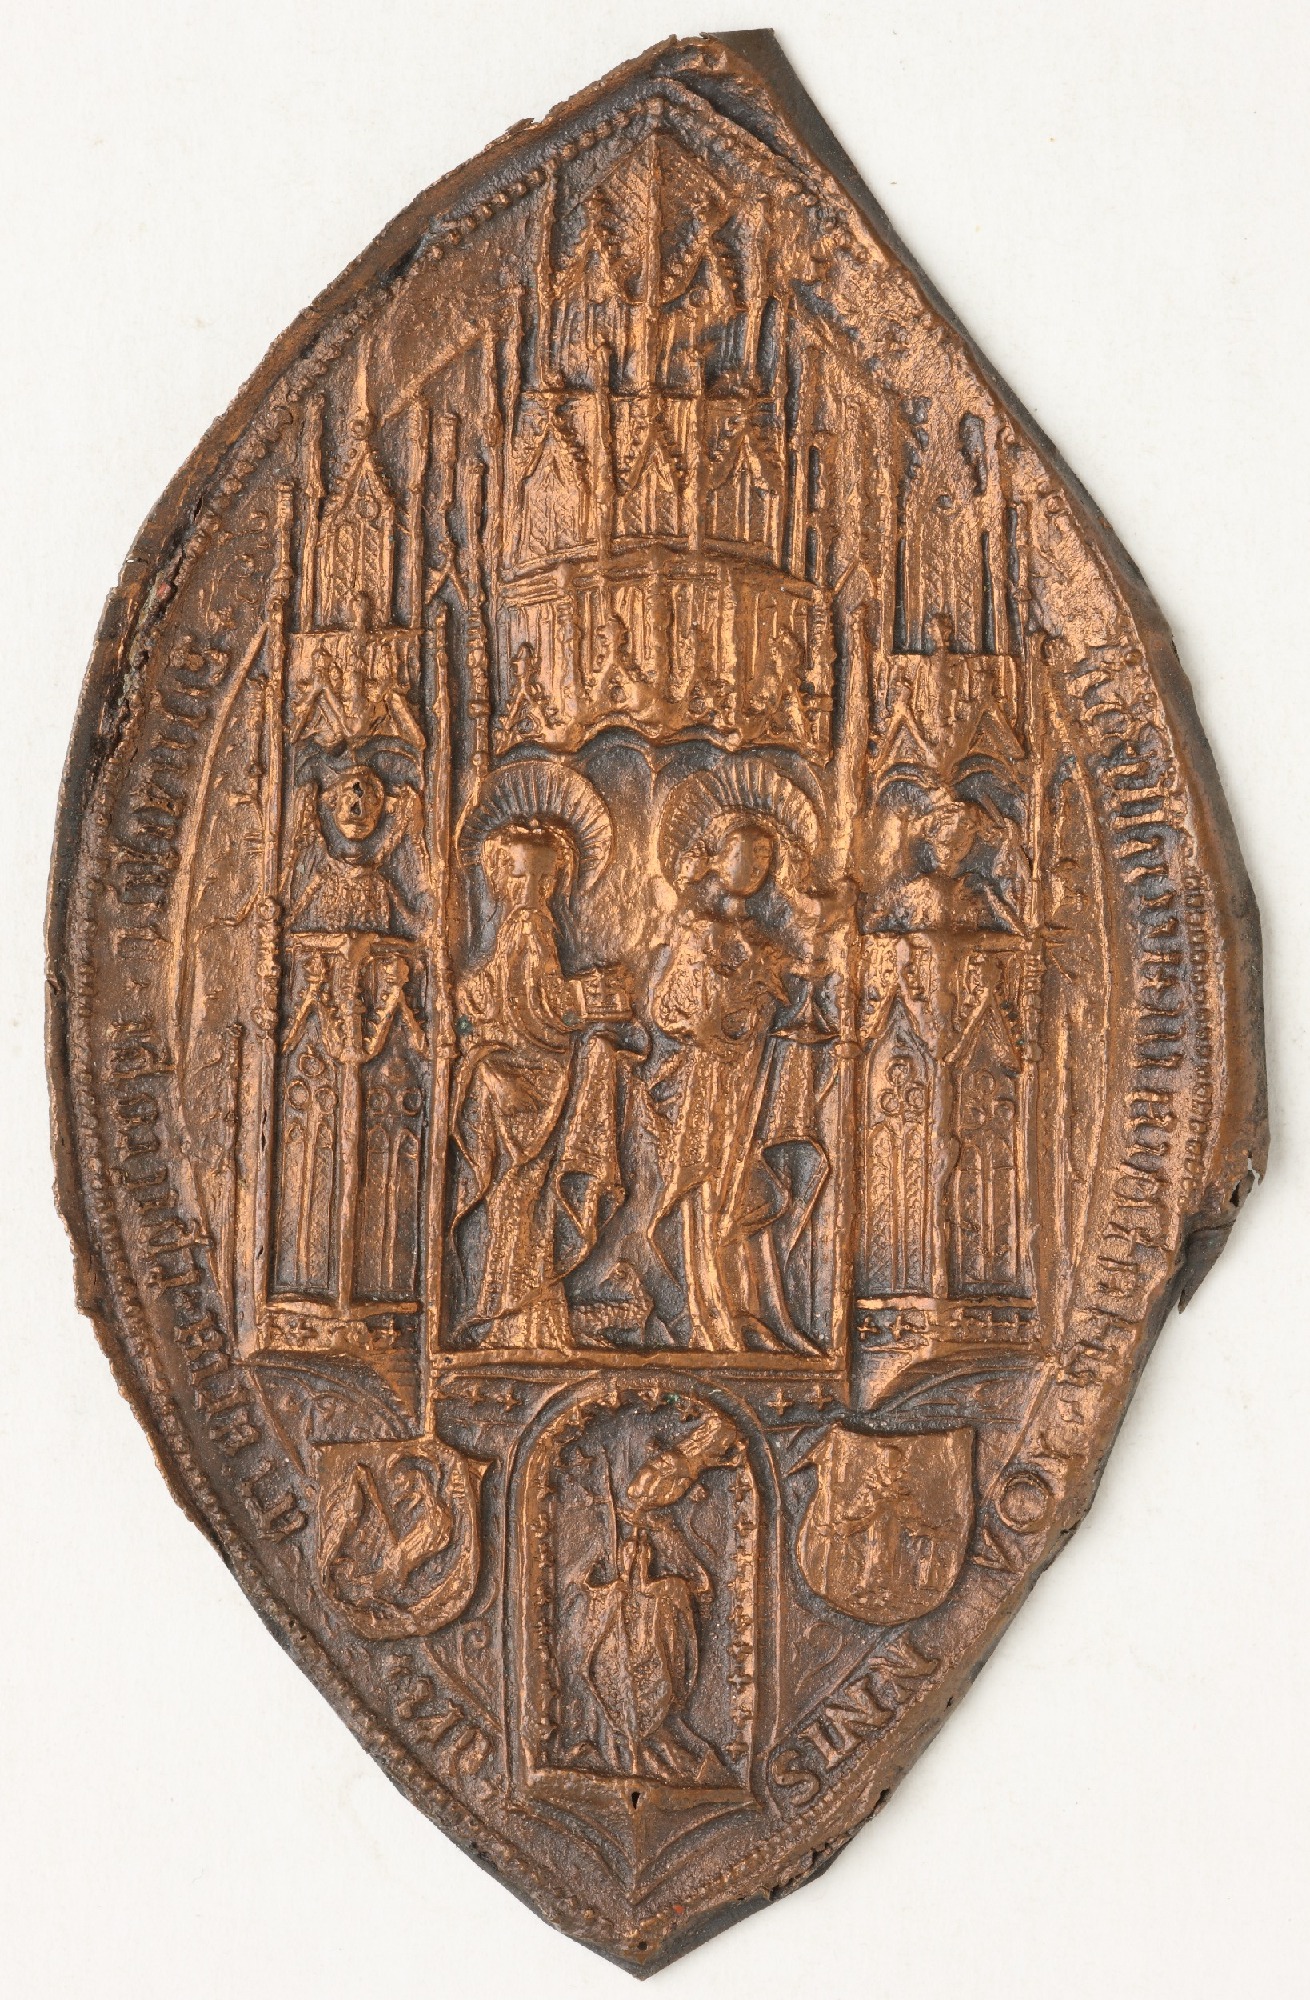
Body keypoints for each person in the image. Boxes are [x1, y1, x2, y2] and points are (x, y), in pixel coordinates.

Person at [647, 760, 828, 1352]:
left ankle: (747, 1309)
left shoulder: (765, 940)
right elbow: (666, 1006)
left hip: (748, 1078)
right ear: (715, 858)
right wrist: (707, 1015)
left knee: (743, 1183)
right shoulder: (694, 930)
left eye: (765, 860)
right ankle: (706, 1313)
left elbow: (798, 981)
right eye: (743, 856)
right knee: (708, 1185)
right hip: (702, 1078)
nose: (754, 869)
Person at [451, 763, 629, 1351]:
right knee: (524, 1199)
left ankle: (523, 1319)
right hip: (529, 1079)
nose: (533, 890)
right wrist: (590, 996)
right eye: (522, 876)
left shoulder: (527, 925)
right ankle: (518, 1319)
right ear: (501, 877)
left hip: (536, 1074)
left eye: (544, 878)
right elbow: (538, 1003)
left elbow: (518, 994)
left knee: (524, 1199)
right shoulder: (528, 928)